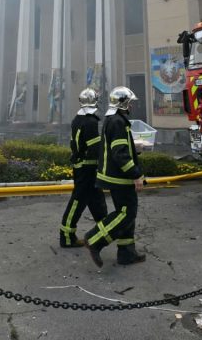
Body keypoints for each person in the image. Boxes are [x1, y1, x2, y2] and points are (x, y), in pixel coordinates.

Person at [84, 86, 146, 267]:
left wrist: (136, 149)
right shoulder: (118, 122)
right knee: (127, 213)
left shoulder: (114, 120)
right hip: (120, 178)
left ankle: (127, 254)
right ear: (123, 103)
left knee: (127, 213)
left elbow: (119, 148)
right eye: (130, 103)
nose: (132, 106)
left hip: (116, 176)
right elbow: (119, 153)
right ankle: (94, 239)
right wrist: (135, 174)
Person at [59, 88, 109, 248]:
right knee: (78, 202)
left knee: (97, 200)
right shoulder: (91, 121)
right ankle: (67, 237)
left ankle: (105, 232)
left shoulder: (78, 118)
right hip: (87, 169)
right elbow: (94, 148)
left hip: (83, 167)